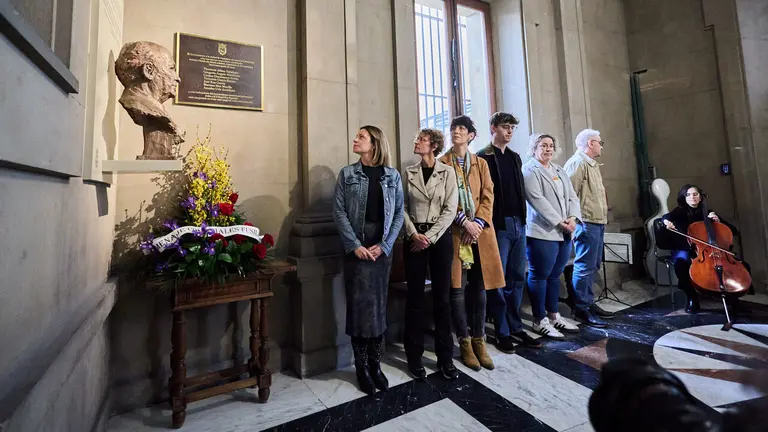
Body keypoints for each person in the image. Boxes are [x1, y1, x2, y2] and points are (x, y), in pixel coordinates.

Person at [333, 126, 405, 395]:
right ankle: (361, 368)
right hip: (357, 248)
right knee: (358, 308)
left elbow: (399, 213)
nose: (355, 139)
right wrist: (354, 245)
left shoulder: (392, 175)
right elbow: (339, 212)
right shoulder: (347, 174)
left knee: (378, 307)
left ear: (374, 144)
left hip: (381, 249)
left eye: (361, 137)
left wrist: (385, 245)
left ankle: (376, 364)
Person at [439, 115, 505, 371]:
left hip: (480, 234)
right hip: (455, 233)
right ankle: (464, 342)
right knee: (457, 289)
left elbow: (488, 194)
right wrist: (463, 221)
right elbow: (444, 198)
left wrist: (477, 223)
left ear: (471, 135)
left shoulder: (481, 163)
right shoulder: (443, 163)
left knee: (479, 287)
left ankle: (479, 340)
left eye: (462, 128)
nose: (456, 132)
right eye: (454, 128)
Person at [477, 112, 541, 351]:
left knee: (517, 277)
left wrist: (523, 220)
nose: (510, 132)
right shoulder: (482, 157)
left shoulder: (515, 157)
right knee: (498, 279)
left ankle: (516, 327)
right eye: (505, 127)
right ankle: (502, 331)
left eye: (512, 128)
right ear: (493, 128)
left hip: (518, 222)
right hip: (498, 225)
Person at [403, 128, 460, 380]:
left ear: (434, 145)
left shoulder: (447, 172)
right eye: (417, 139)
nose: (417, 142)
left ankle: (445, 357)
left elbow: (450, 209)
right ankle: (413, 357)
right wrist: (414, 234)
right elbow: (401, 207)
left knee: (443, 300)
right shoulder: (408, 173)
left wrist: (430, 237)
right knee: (414, 300)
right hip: (414, 238)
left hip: (439, 239)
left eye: (422, 140)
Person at [522, 133, 582, 339]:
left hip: (565, 230)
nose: (548, 149)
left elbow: (572, 196)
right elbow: (536, 200)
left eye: (551, 145)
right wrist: (560, 222)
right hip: (542, 231)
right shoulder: (529, 170)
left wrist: (573, 218)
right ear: (534, 148)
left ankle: (554, 315)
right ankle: (539, 320)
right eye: (543, 145)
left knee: (555, 275)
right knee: (540, 275)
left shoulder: (559, 170)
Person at [661, 184, 752, 314]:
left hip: (714, 251)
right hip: (687, 248)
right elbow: (666, 218)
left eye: (695, 194)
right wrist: (666, 223)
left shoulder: (708, 213)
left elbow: (733, 230)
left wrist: (719, 221)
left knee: (743, 266)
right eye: (688, 195)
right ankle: (692, 298)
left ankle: (734, 299)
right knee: (680, 264)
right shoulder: (679, 211)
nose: (692, 197)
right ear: (683, 197)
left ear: (700, 197)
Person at [563, 129, 612, 327]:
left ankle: (589, 303)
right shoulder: (578, 163)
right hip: (586, 222)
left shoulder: (591, 163)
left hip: (598, 221)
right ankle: (581, 308)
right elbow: (568, 194)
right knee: (584, 266)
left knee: (593, 266)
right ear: (590, 143)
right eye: (600, 142)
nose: (601, 145)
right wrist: (574, 220)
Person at [115, 41, 184, 159]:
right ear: (149, 70)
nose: (178, 78)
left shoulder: (158, 112)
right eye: (171, 68)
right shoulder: (139, 105)